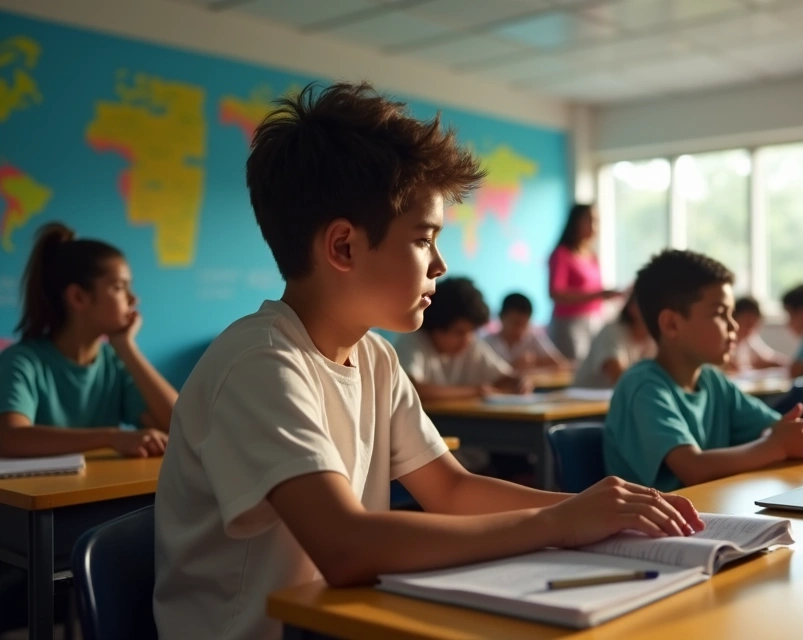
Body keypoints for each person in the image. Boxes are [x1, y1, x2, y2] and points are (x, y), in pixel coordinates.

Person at [152, 82, 702, 640]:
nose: (440, 264)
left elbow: (452, 491)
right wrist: (559, 521)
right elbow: (344, 547)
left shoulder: (374, 359)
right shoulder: (261, 364)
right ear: (343, 247)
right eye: (424, 239)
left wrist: (592, 511)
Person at [602, 249, 803, 492]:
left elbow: (775, 429)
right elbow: (693, 468)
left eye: (732, 313)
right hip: (654, 527)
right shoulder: (643, 387)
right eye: (720, 314)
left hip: (709, 516)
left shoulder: (713, 381)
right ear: (671, 324)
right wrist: (777, 446)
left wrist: (797, 436)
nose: (734, 325)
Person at [0, 222, 177, 458]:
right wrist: (112, 436)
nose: (133, 299)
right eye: (119, 287)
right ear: (78, 297)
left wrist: (127, 349)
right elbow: (11, 438)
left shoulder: (115, 361)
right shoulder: (22, 361)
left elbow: (180, 425)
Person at [393, 277, 529, 401]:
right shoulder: (412, 340)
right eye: (459, 332)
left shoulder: (470, 343)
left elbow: (503, 377)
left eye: (472, 331)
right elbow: (412, 389)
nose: (467, 339)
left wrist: (518, 382)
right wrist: (475, 391)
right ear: (436, 327)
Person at [547, 204, 620, 361]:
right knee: (573, 368)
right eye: (589, 220)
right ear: (575, 222)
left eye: (597, 221)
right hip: (569, 324)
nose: (594, 226)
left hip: (594, 320)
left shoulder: (592, 256)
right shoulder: (561, 254)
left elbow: (597, 291)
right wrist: (599, 294)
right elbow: (556, 293)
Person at [572, 292, 655, 389]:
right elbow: (619, 379)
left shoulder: (652, 339)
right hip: (583, 400)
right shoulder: (611, 332)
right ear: (633, 308)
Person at [484, 292, 568, 372]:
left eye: (524, 324)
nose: (519, 329)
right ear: (501, 316)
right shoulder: (487, 343)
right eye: (515, 323)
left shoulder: (534, 339)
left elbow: (561, 364)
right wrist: (512, 366)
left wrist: (536, 362)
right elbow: (482, 374)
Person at [728, 296, 785, 372]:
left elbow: (770, 359)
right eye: (747, 323)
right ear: (734, 319)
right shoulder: (724, 344)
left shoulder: (750, 340)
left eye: (754, 324)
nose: (750, 329)